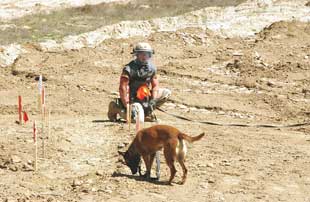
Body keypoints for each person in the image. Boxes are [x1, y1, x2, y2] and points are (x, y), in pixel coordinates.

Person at [108, 42, 171, 122]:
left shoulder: (152, 68)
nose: (144, 56)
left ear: (150, 55)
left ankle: (147, 112)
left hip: (145, 96)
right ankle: (115, 106)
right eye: (141, 54)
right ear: (136, 55)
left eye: (147, 54)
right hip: (132, 98)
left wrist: (153, 100)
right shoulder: (129, 69)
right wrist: (127, 106)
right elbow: (123, 88)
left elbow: (155, 86)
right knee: (135, 120)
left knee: (166, 93)